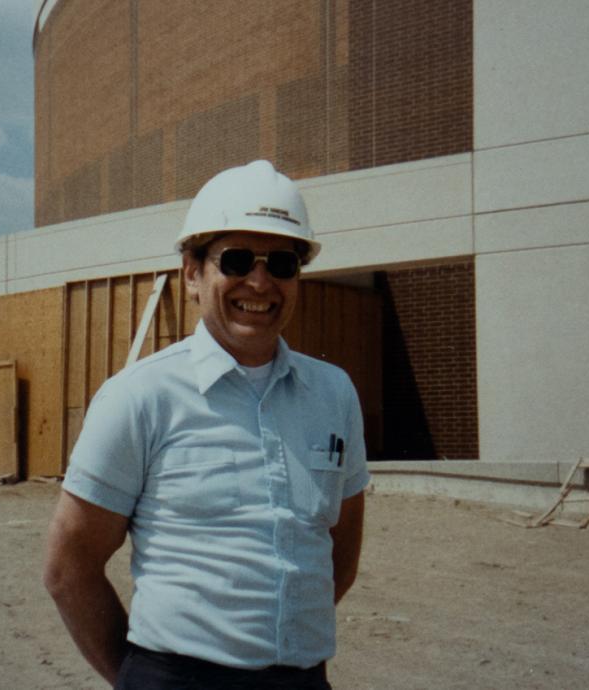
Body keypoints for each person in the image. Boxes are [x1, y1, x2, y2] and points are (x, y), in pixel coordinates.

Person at [43, 160, 369, 689]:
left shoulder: (333, 394)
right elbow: (68, 567)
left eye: (282, 263)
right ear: (192, 273)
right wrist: (134, 679)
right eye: (236, 259)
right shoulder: (140, 397)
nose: (260, 282)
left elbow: (340, 553)